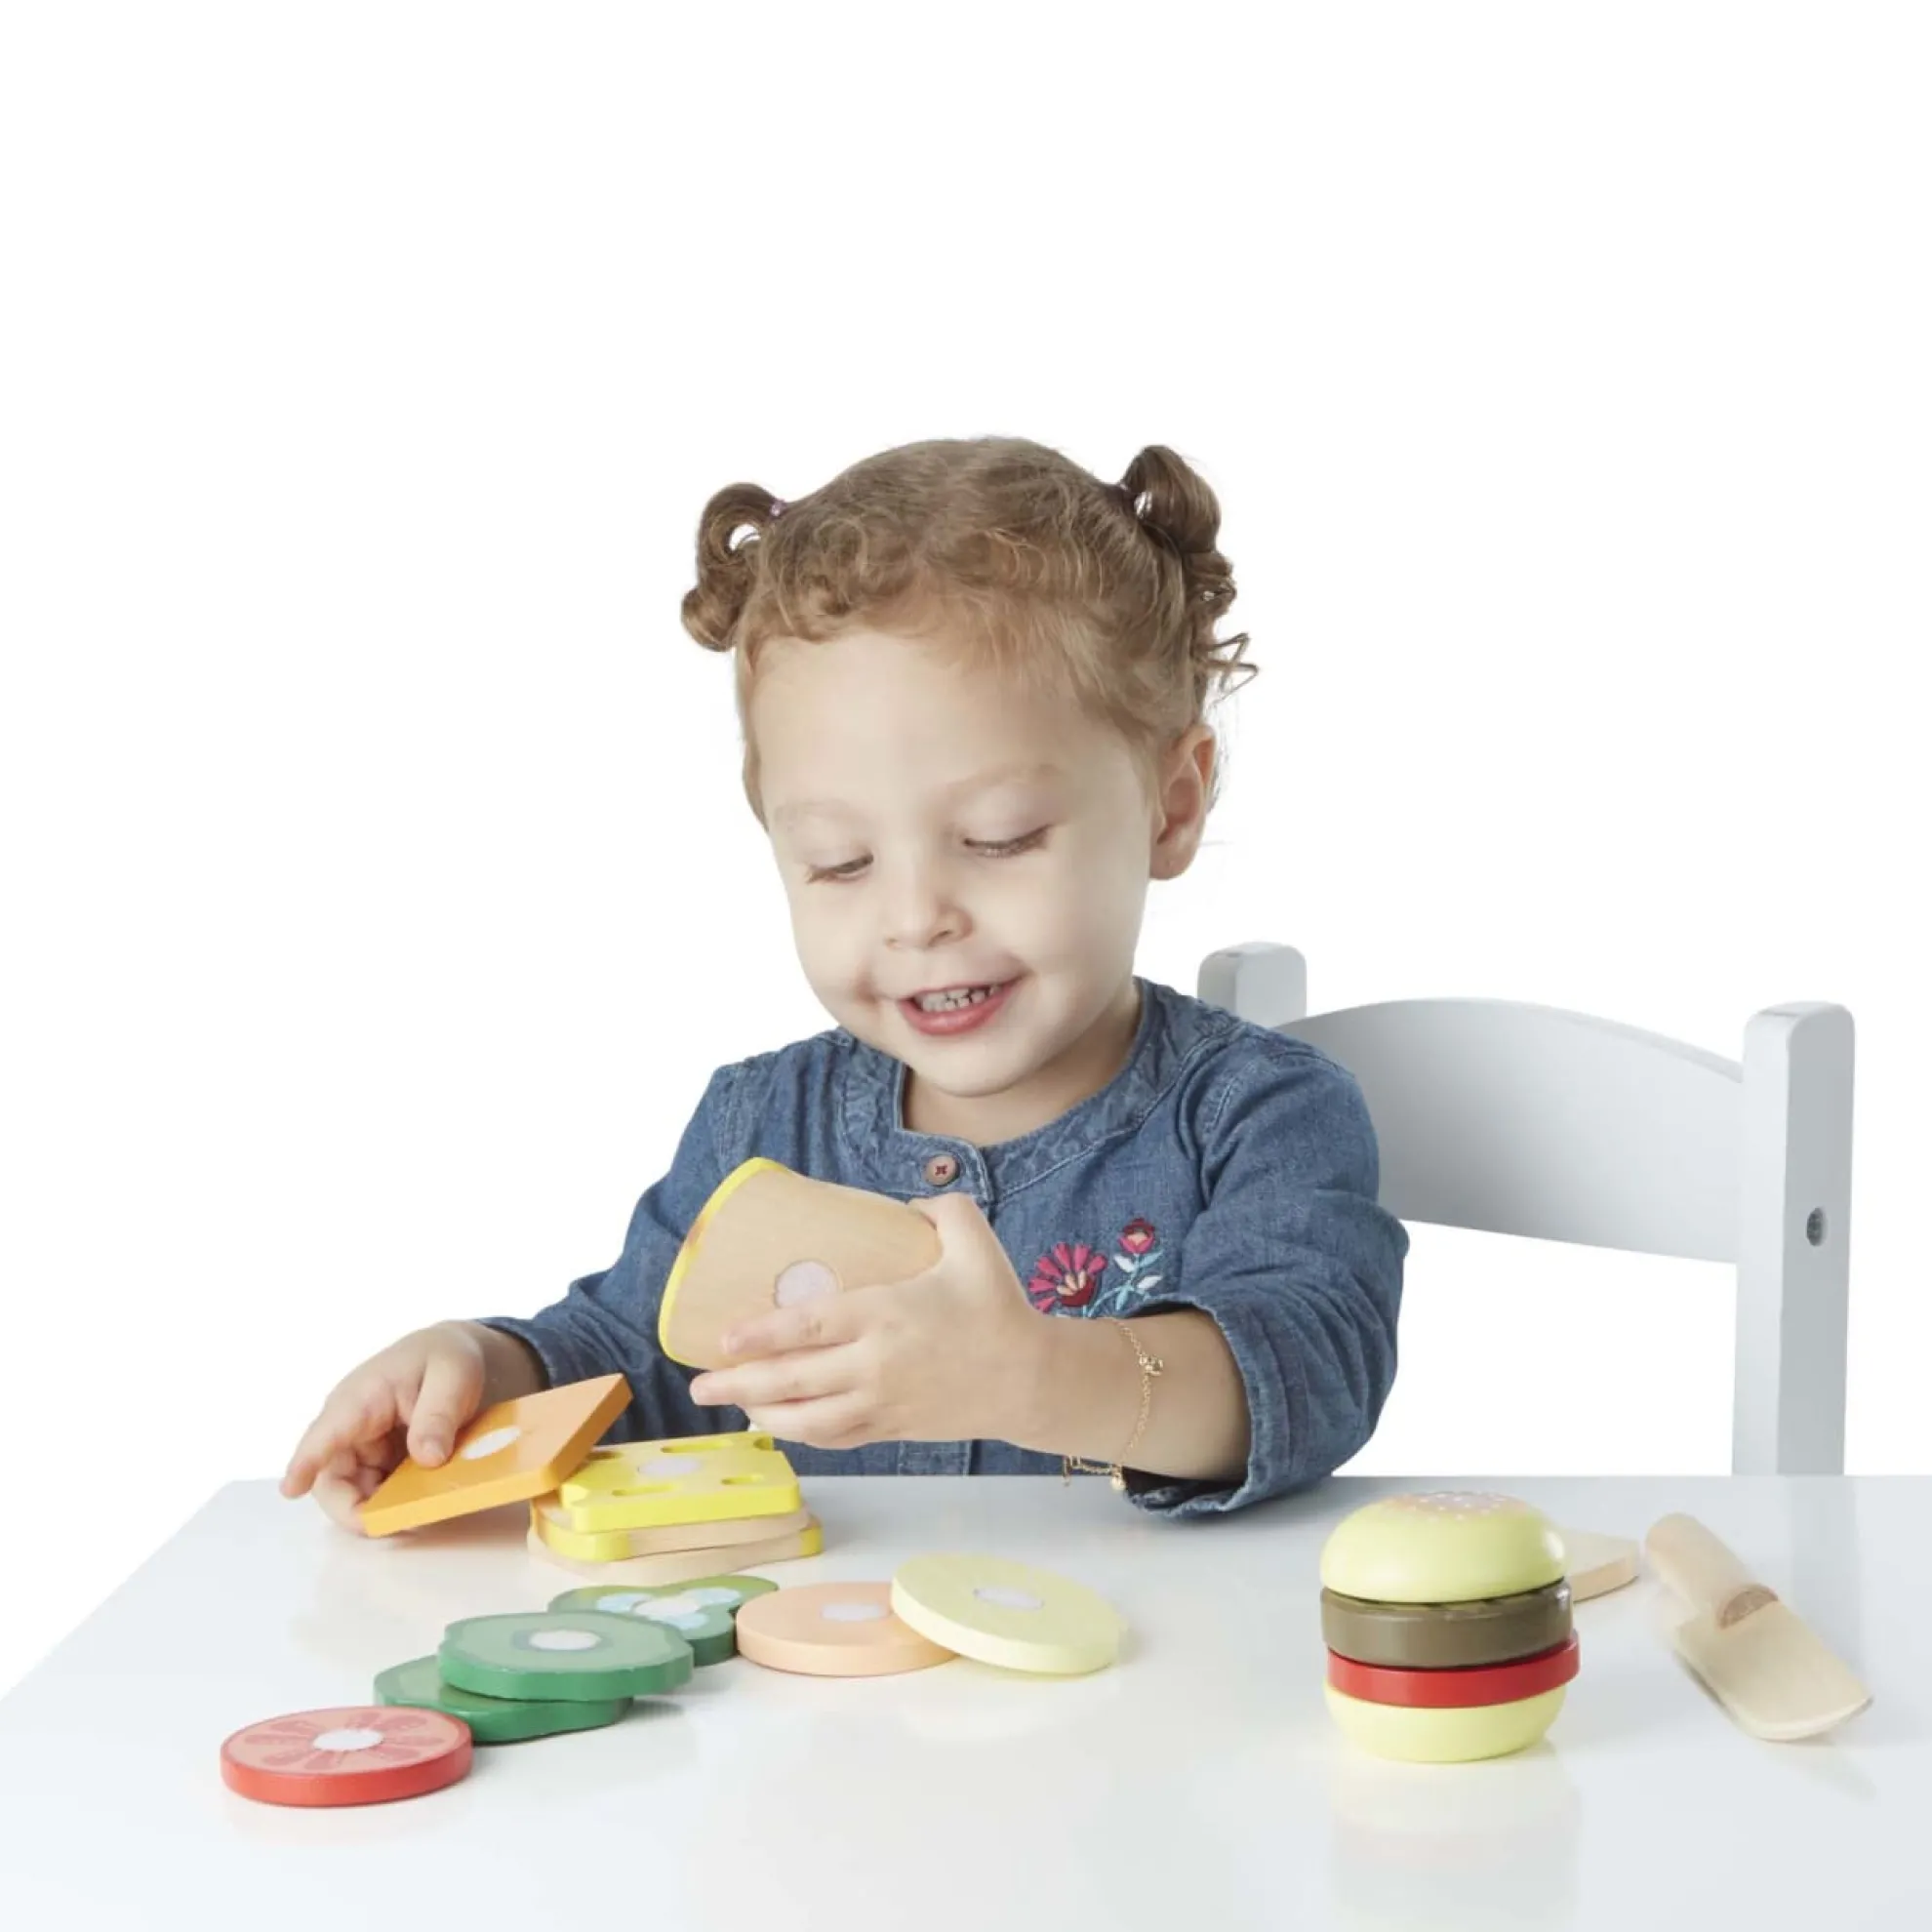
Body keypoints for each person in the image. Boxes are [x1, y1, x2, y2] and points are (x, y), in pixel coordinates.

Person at [282, 435, 1408, 1531]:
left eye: (1001, 837)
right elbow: (636, 1360)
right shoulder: (762, 1125)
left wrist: (1032, 1375)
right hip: (823, 1656)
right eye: (841, 862)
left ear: (1172, 804)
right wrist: (478, 1368)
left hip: (1148, 1650)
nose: (916, 917)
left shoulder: (1256, 1114)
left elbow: (1310, 1369)